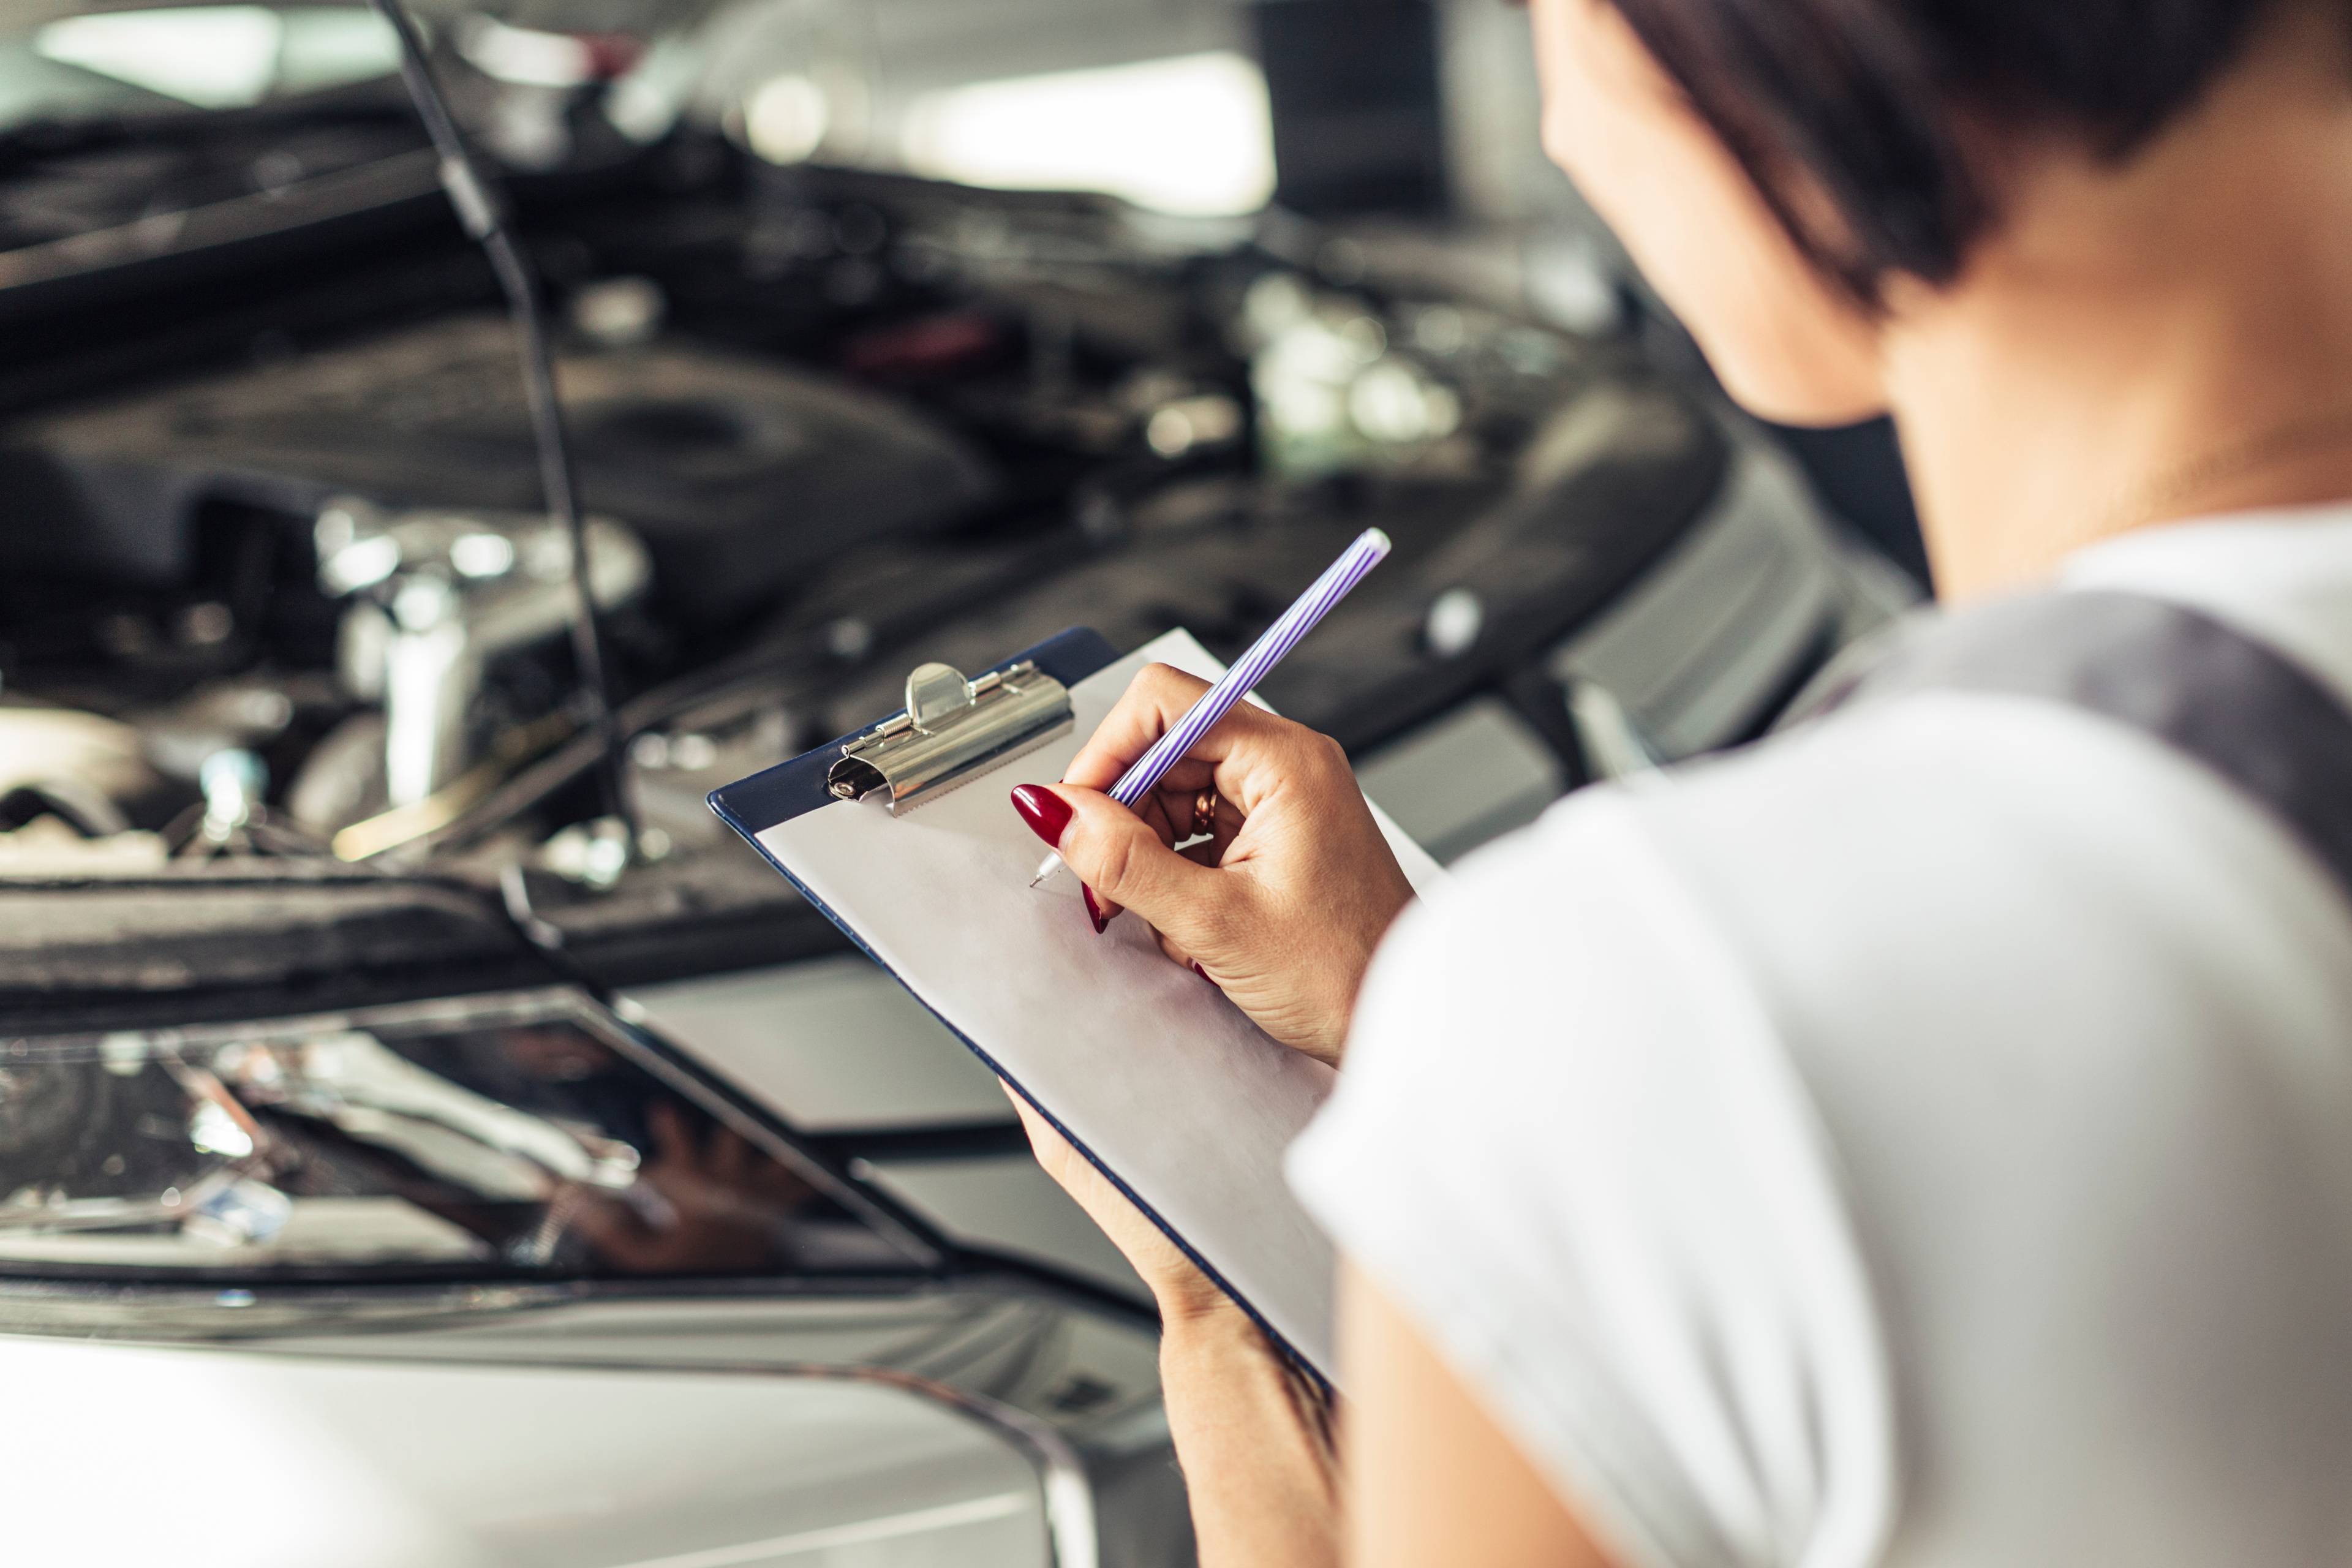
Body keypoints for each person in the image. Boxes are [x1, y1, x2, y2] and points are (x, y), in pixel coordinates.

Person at [1002, 1, 2352, 1564]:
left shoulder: (1678, 991)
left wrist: (1223, 1308)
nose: (1571, 135)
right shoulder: (1664, 1026)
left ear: (1780, 65)